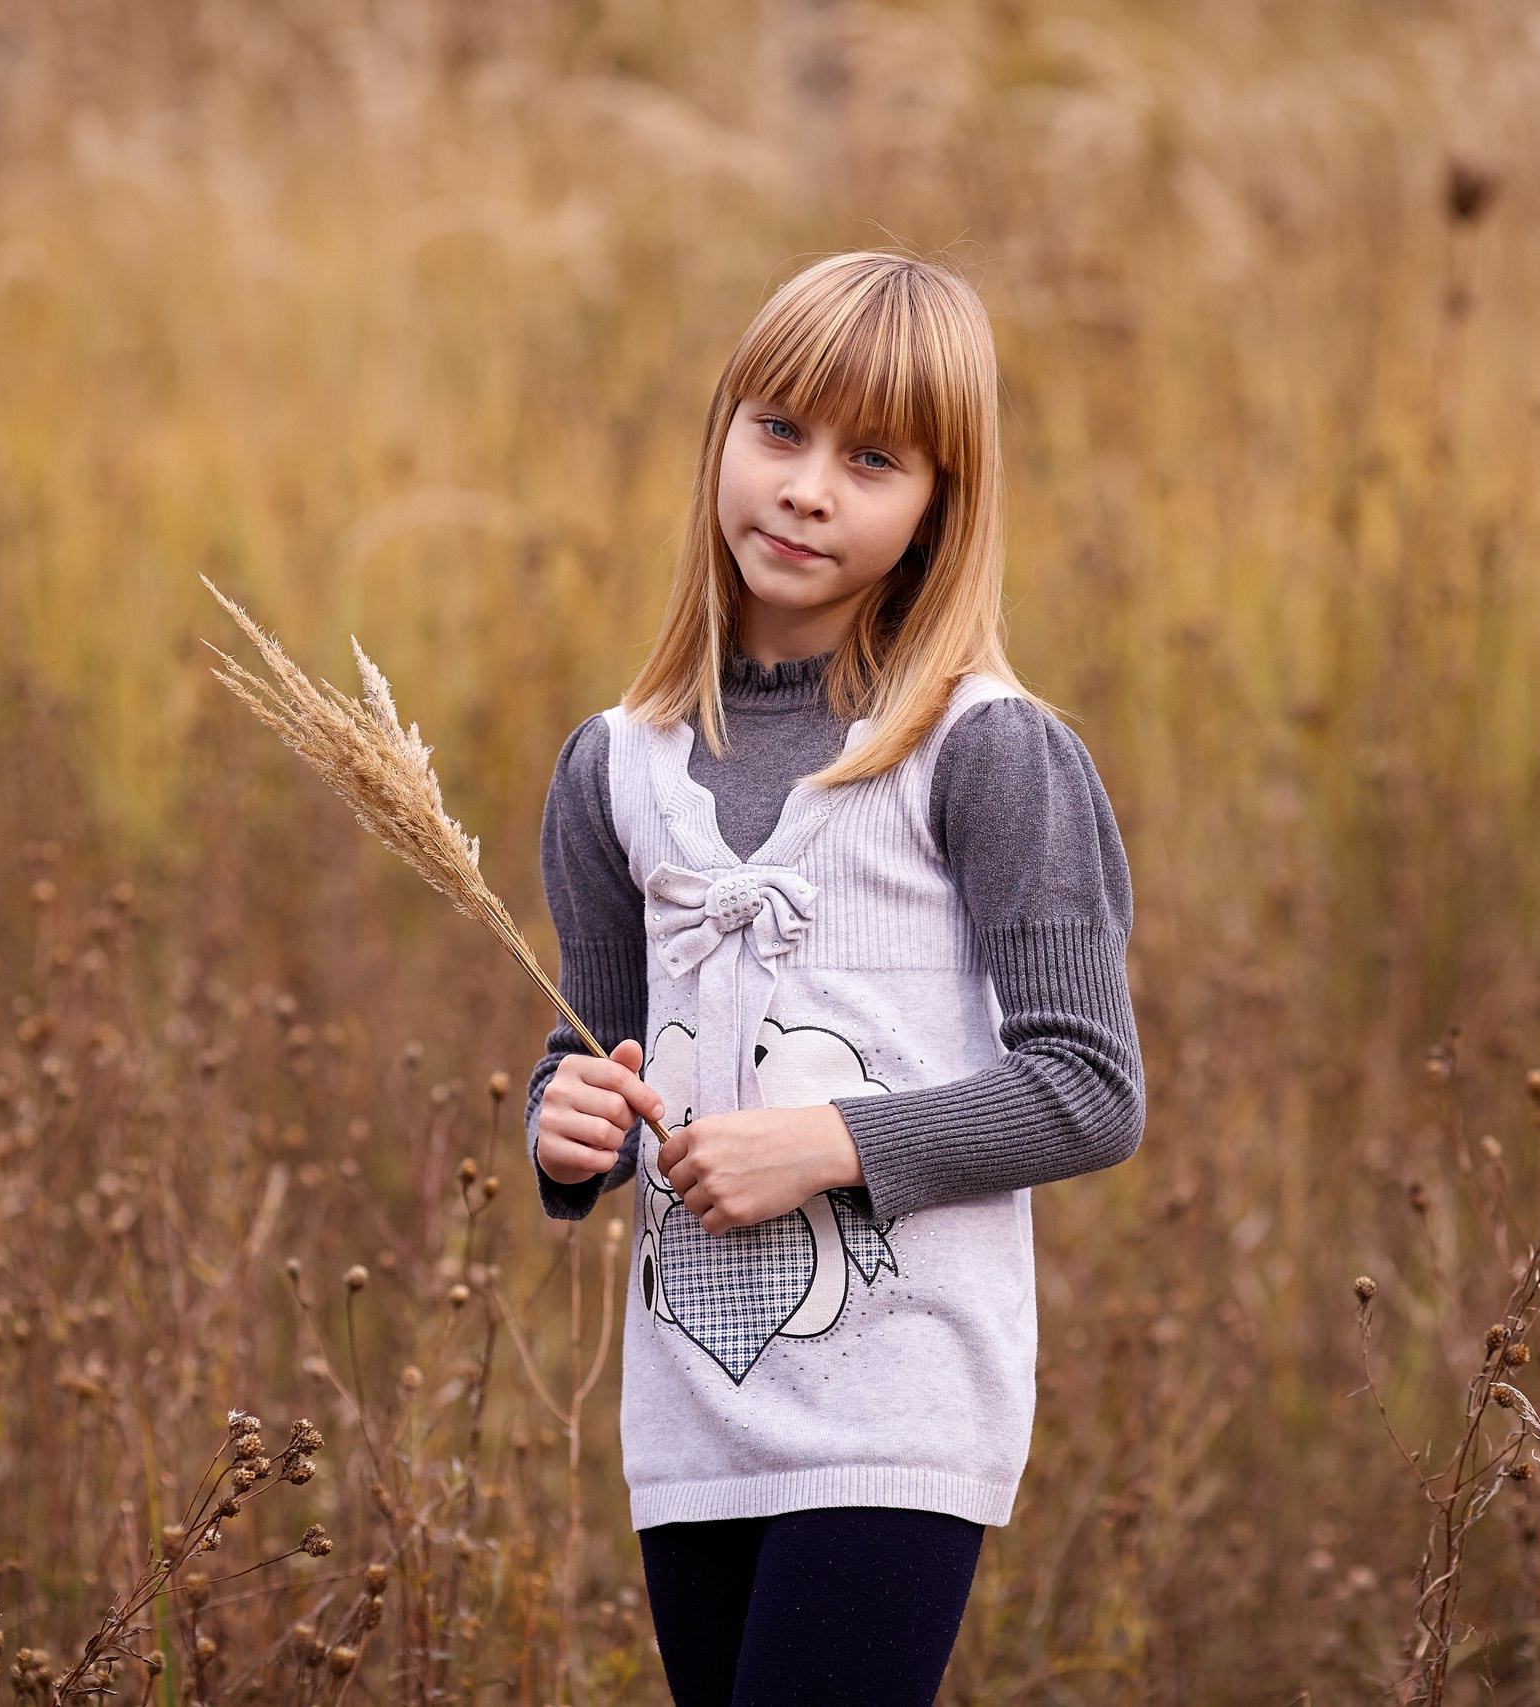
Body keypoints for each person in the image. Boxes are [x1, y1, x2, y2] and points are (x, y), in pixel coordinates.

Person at [521, 250, 1145, 1707]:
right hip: (691, 1416)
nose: (807, 488)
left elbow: (1090, 1091)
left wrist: (829, 1145)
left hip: (898, 1409)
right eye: (780, 431)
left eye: (873, 461)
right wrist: (564, 1132)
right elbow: (602, 1057)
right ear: (722, 434)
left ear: (940, 508)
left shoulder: (986, 751)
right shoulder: (616, 768)